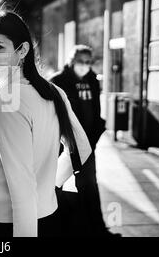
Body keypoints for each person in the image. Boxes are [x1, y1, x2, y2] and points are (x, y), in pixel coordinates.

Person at [0, 10, 92, 237]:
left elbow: (21, 191)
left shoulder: (6, 102)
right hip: (49, 214)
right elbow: (82, 148)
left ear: (22, 50)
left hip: (11, 224)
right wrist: (50, 185)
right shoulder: (54, 91)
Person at [50, 45, 119, 237]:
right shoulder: (58, 81)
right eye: (81, 61)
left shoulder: (92, 80)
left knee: (89, 187)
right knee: (58, 187)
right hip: (64, 148)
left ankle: (97, 230)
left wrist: (93, 139)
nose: (85, 66)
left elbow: (96, 113)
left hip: (87, 145)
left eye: (88, 62)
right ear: (71, 61)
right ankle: (58, 229)